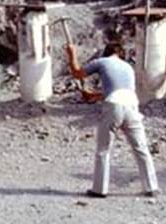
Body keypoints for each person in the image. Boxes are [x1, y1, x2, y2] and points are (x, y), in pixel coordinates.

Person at [66, 41, 160, 198]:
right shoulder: (128, 67)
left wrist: (71, 54)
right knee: (141, 148)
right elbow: (118, 90)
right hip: (131, 105)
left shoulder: (102, 61)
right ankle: (151, 187)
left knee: (104, 149)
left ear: (106, 52)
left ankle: (100, 189)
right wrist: (94, 95)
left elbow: (77, 73)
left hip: (114, 105)